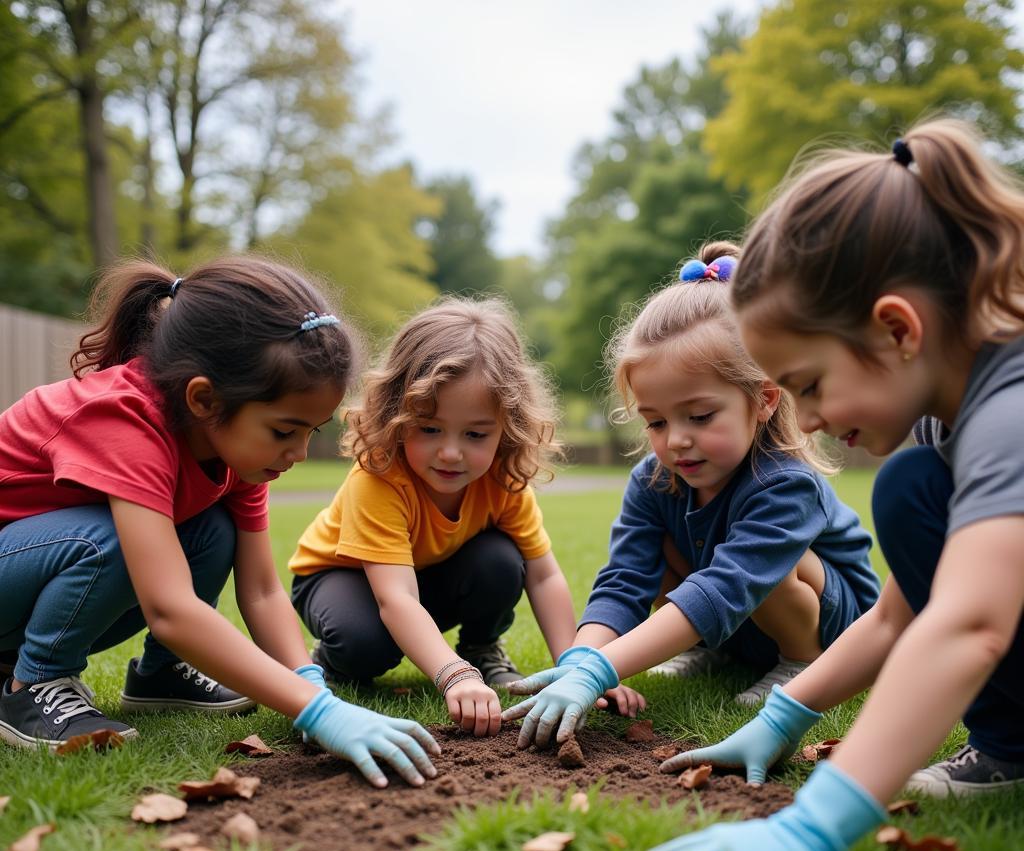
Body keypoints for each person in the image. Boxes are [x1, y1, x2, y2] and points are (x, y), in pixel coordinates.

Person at [641, 119, 1024, 851]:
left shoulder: (1010, 412)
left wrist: (817, 824)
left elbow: (971, 624)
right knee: (914, 485)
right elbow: (901, 613)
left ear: (896, 329)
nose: (806, 419)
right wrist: (781, 718)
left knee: (908, 484)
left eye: (810, 384)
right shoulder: (942, 419)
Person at [0, 256, 438, 789]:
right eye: (284, 431)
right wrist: (319, 716)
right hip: (24, 569)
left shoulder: (233, 449)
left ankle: (162, 674)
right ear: (205, 398)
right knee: (108, 541)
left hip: (33, 585)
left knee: (213, 532)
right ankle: (34, 685)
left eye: (311, 431)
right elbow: (169, 609)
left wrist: (310, 686)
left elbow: (260, 590)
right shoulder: (123, 417)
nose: (299, 451)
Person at [502, 243, 879, 748]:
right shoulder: (653, 480)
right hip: (735, 619)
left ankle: (800, 661)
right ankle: (714, 649)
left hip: (832, 629)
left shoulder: (786, 483)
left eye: (699, 417)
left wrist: (601, 669)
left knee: (780, 566)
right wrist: (580, 661)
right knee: (657, 550)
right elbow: (626, 578)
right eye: (656, 421)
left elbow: (727, 586)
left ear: (764, 400)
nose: (676, 439)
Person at [289, 297, 578, 737]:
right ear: (395, 415)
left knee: (501, 561)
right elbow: (396, 598)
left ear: (508, 429)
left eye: (476, 434)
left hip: (427, 577)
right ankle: (334, 661)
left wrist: (575, 668)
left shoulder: (503, 477)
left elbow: (543, 576)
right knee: (366, 643)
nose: (450, 452)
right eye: (429, 429)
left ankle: (481, 648)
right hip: (341, 578)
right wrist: (452, 675)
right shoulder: (380, 477)